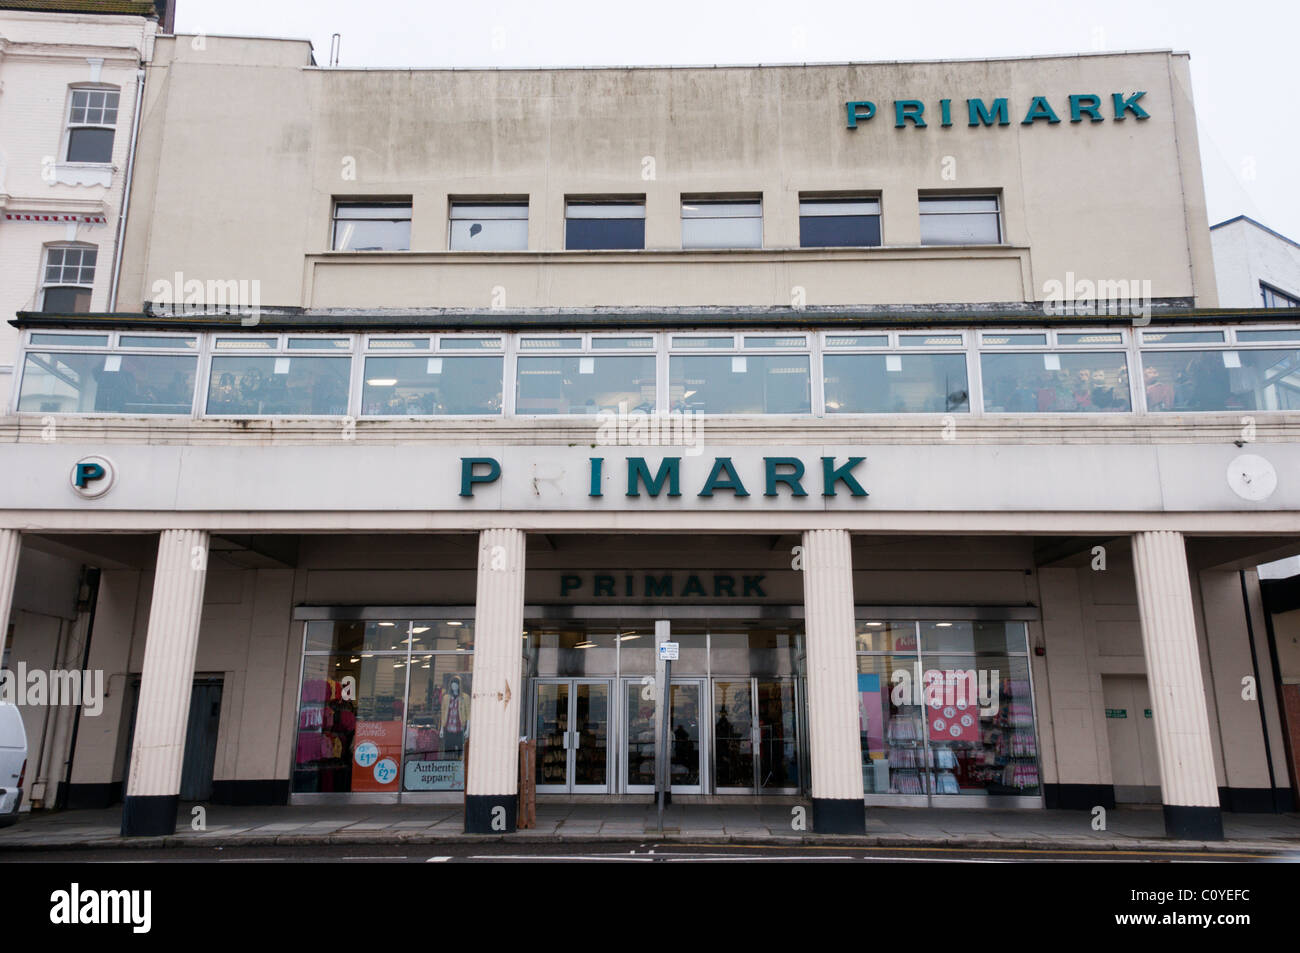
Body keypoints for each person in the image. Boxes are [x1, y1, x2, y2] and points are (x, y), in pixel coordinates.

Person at [440, 675, 468, 759]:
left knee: (459, 751)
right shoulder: (446, 698)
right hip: (448, 729)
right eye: (452, 684)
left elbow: (469, 714)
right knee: (448, 751)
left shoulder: (465, 698)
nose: (454, 686)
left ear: (459, 685)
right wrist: (441, 729)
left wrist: (468, 729)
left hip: (459, 729)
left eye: (456, 684)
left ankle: (458, 767)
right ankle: (448, 767)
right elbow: (443, 713)